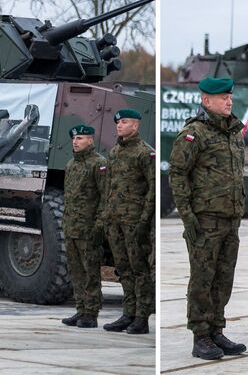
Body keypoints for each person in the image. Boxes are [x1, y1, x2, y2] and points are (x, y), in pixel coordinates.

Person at [169, 77, 246, 360]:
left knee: (223, 279)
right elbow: (177, 174)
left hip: (230, 219)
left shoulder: (234, 133)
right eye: (223, 97)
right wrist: (188, 218)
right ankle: (200, 335)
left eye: (230, 97)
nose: (229, 101)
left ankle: (216, 329)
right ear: (206, 101)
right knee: (202, 278)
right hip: (205, 221)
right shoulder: (194, 134)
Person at [103, 108, 155, 335]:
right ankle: (128, 312)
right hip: (115, 220)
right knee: (123, 268)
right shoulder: (114, 153)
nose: (119, 125)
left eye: (124, 122)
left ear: (135, 126)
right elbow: (109, 187)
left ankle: (142, 317)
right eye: (118, 122)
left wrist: (145, 219)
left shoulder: (145, 153)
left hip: (135, 221)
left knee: (139, 269)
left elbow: (153, 188)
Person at [61, 125, 107, 328]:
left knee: (91, 272)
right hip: (71, 228)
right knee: (76, 271)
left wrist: (98, 227)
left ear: (90, 140)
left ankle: (91, 312)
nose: (75, 141)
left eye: (80, 138)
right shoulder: (71, 165)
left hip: (89, 230)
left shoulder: (99, 164)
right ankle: (80, 309)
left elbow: (105, 198)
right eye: (74, 138)